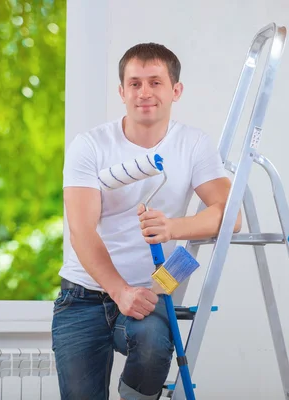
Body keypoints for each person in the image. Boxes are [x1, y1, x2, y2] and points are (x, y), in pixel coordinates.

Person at [51, 42, 241, 400]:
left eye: (155, 82)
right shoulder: (89, 146)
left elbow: (230, 215)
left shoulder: (193, 145)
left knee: (154, 344)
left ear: (175, 90)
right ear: (121, 91)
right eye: (135, 83)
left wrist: (172, 227)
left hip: (150, 294)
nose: (144, 93)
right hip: (82, 295)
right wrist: (119, 291)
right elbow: (81, 229)